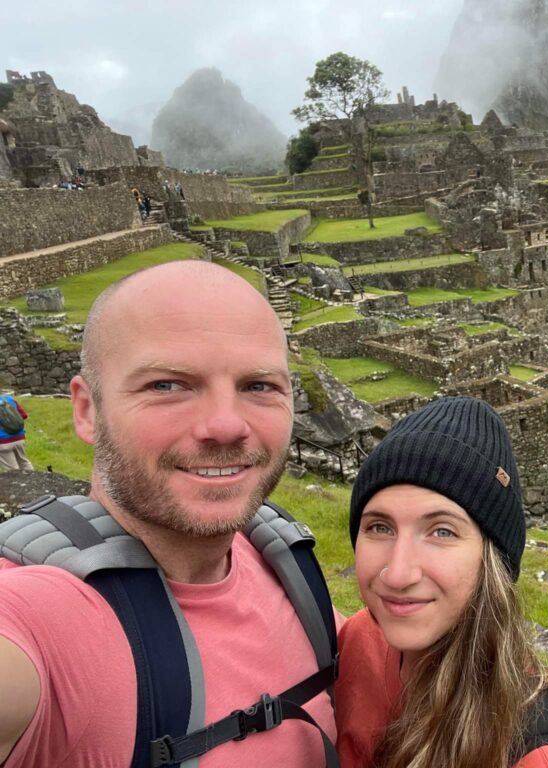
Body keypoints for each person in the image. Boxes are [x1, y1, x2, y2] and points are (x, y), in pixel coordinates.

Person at [0, 261, 338, 767]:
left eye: (259, 386)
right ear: (87, 410)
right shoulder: (42, 620)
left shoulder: (287, 567)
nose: (226, 425)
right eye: (167, 385)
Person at [337, 396, 548, 768]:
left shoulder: (544, 757)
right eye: (379, 527)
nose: (397, 574)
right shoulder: (358, 637)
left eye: (442, 531)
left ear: (491, 560)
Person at [0, 393, 32, 471]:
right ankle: (35, 481)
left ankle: (18, 482)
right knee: (24, 463)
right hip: (19, 438)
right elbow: (24, 415)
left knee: (12, 470)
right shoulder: (9, 399)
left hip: (3, 442)